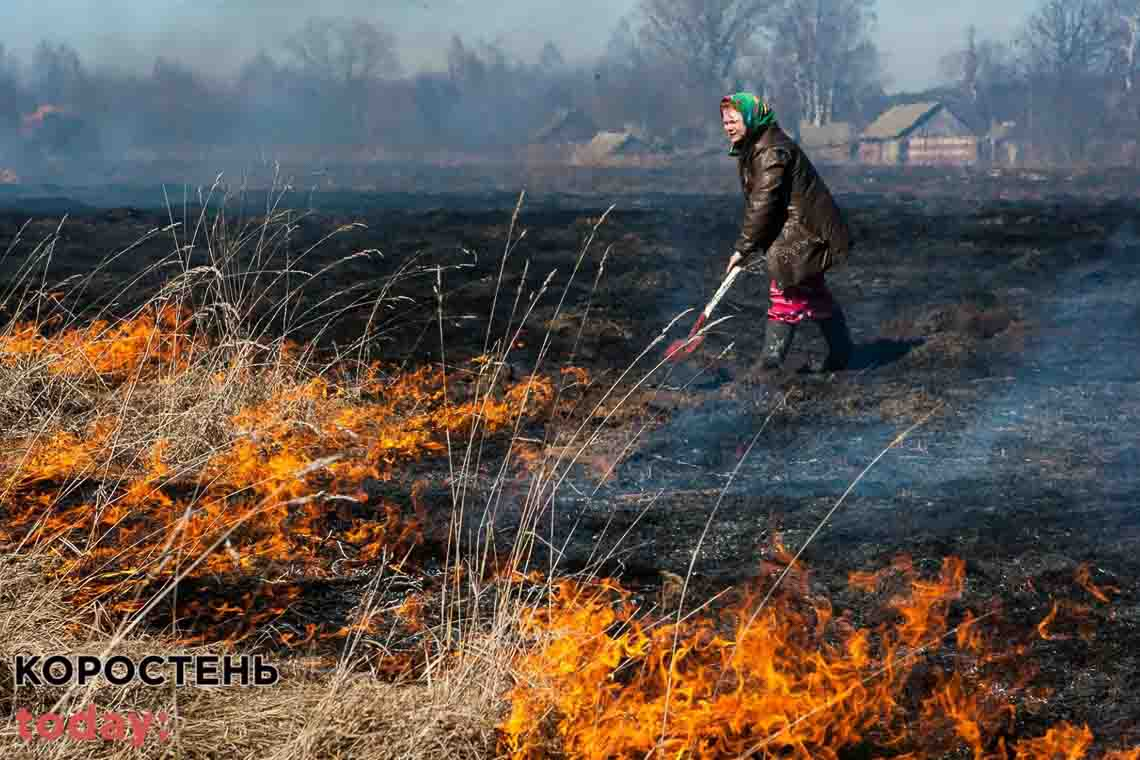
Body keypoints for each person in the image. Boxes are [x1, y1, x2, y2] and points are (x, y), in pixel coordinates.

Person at [721, 92, 854, 372]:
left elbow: (763, 202)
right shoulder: (756, 147)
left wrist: (742, 248)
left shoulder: (770, 151)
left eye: (733, 120)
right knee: (814, 293)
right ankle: (843, 353)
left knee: (785, 288)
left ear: (751, 118)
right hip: (800, 230)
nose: (728, 127)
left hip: (806, 233)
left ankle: (769, 364)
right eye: (725, 122)